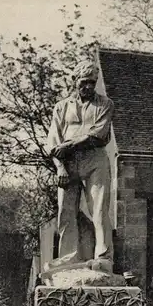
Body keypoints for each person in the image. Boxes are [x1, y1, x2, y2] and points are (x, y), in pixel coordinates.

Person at [47, 59, 114, 272]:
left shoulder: (105, 104)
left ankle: (103, 257)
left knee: (99, 209)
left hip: (95, 160)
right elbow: (53, 143)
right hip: (68, 163)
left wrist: (69, 144)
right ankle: (68, 256)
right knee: (65, 211)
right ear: (74, 81)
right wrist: (60, 167)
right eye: (84, 82)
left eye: (92, 83)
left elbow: (99, 134)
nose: (88, 87)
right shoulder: (61, 107)